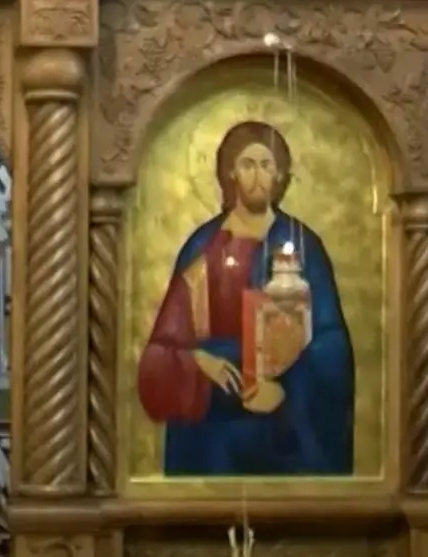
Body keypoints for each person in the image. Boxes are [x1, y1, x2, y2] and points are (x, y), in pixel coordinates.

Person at [135, 121, 356, 476]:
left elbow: (331, 345)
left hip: (281, 425)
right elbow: (162, 350)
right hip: (212, 421)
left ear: (279, 175)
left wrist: (287, 391)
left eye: (266, 165)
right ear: (231, 173)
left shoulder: (303, 245)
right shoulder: (203, 247)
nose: (257, 176)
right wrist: (196, 361)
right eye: (247, 164)